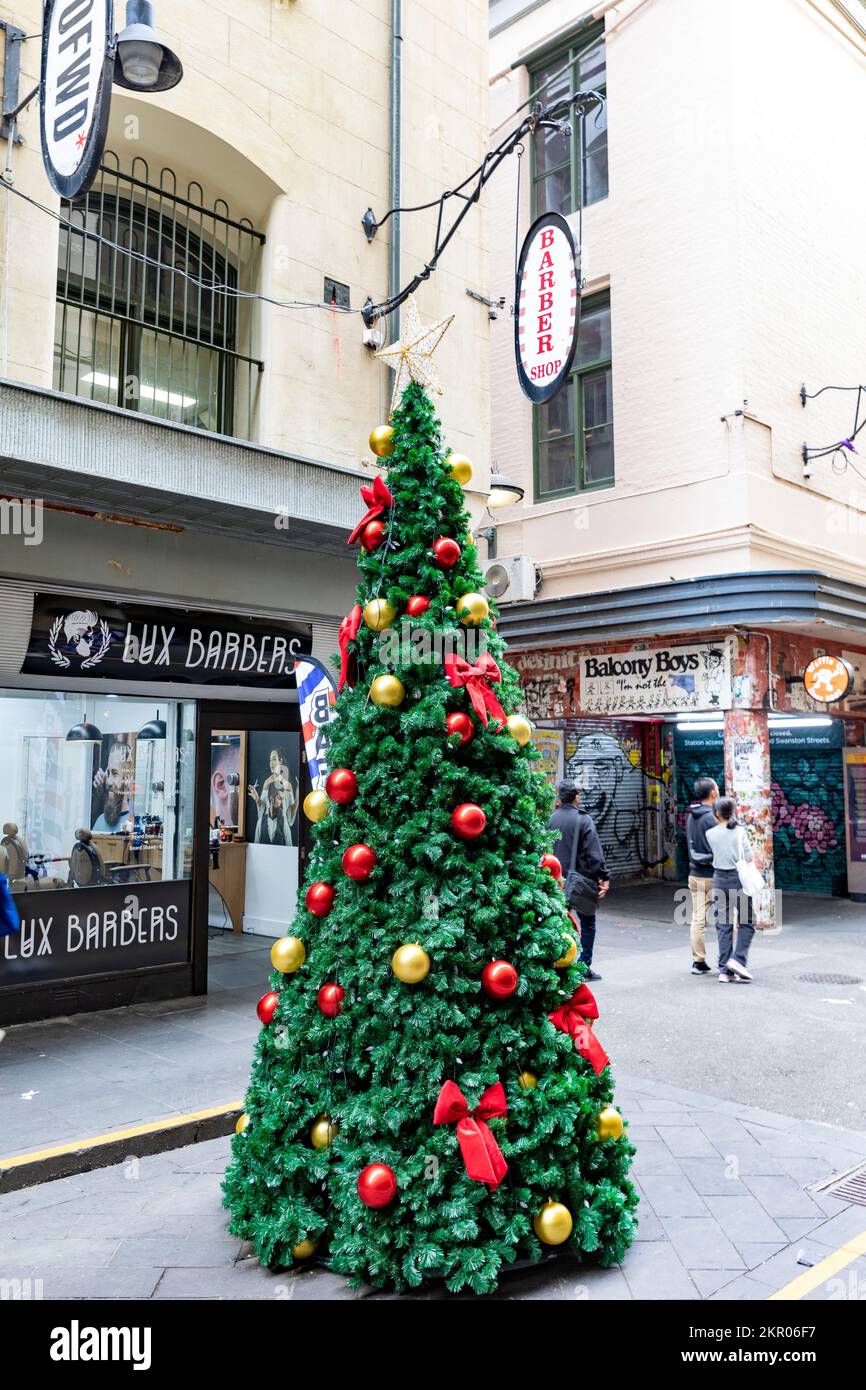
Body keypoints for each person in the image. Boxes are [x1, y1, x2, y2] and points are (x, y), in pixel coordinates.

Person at [548, 780, 610, 982]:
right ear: (576, 797)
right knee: (588, 924)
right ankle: (583, 966)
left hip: (555, 880)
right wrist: (603, 876)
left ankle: (559, 964)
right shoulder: (583, 820)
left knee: (559, 924)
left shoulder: (550, 819)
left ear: (559, 797)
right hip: (580, 881)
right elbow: (594, 853)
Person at [707, 796, 755, 983]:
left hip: (719, 879)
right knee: (747, 921)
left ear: (716, 814)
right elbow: (749, 858)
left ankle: (724, 970)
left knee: (723, 924)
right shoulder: (741, 832)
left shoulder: (710, 834)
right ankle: (738, 960)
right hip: (738, 879)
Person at [685, 777, 719, 975]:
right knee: (728, 917)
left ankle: (698, 961)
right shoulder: (713, 817)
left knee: (698, 918)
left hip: (695, 875)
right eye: (717, 788)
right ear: (713, 793)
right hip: (715, 875)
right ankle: (728, 959)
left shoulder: (692, 816)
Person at [91, 740, 134, 833]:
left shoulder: (134, 822)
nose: (109, 782)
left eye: (114, 774)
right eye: (108, 773)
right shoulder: (100, 821)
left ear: (127, 779)